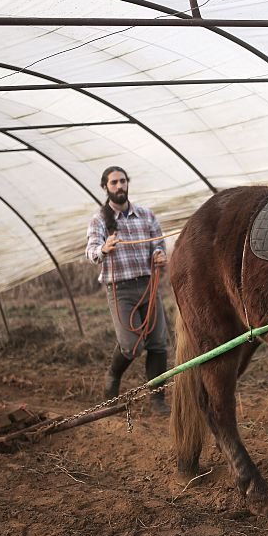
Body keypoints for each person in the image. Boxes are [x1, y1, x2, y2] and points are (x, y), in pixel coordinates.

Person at [85, 166, 170, 414]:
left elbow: (158, 245)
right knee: (132, 346)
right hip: (120, 289)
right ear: (105, 188)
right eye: (114, 183)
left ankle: (157, 400)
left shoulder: (146, 215)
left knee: (158, 344)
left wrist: (158, 256)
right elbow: (91, 253)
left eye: (122, 181)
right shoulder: (100, 221)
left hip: (147, 284)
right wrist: (104, 248)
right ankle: (112, 378)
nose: (119, 186)